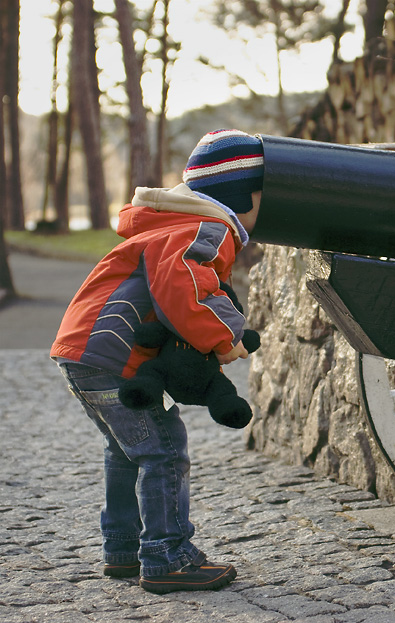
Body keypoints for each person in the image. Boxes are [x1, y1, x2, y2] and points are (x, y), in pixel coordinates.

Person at [51, 129, 264, 594]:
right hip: (111, 353)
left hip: (85, 349)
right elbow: (185, 288)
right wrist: (225, 336)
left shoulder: (170, 223)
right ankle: (168, 557)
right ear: (246, 195)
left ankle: (123, 549)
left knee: (127, 449)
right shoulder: (206, 227)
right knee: (163, 448)